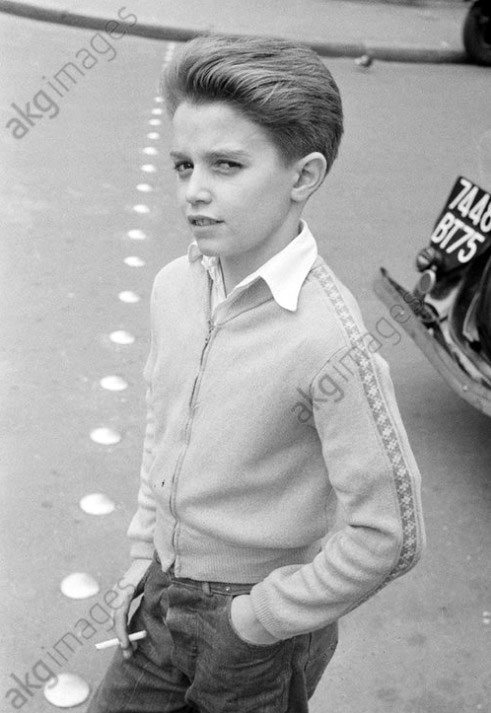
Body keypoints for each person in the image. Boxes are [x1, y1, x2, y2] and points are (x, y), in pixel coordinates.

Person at [88, 34, 425, 713]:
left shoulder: (330, 340)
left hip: (252, 630)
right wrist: (139, 559)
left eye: (226, 165)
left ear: (302, 176)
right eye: (184, 165)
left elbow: (390, 533)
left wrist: (257, 619)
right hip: (161, 588)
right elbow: (165, 431)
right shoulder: (174, 288)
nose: (194, 191)